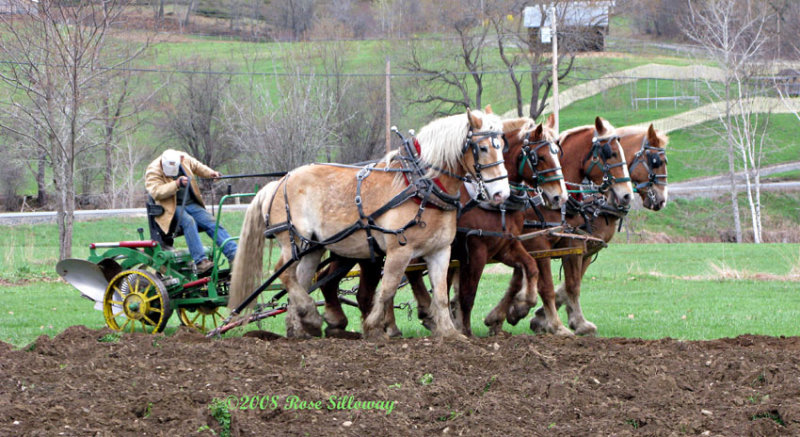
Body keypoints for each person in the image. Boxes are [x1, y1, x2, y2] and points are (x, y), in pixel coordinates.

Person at [145, 149, 237, 274]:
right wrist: (176, 184)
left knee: (211, 222)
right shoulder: (153, 169)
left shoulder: (184, 158)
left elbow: (197, 166)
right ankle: (201, 262)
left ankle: (234, 255)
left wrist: (211, 173)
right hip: (170, 207)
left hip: (190, 204)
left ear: (180, 161)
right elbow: (156, 192)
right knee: (189, 221)